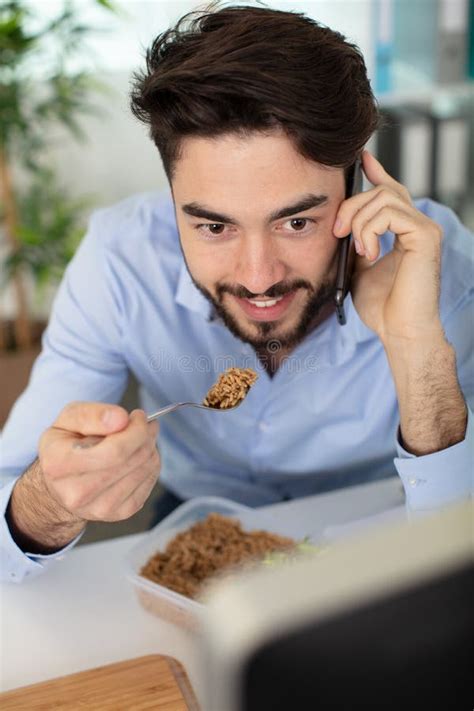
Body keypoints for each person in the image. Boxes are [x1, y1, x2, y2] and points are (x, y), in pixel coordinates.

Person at [1, 6, 472, 583]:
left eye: (296, 223)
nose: (256, 277)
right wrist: (51, 499)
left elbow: (459, 547)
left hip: (383, 516)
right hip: (193, 516)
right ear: (171, 194)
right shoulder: (119, 262)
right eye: (214, 226)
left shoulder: (441, 265)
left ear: (355, 187)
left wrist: (416, 345)